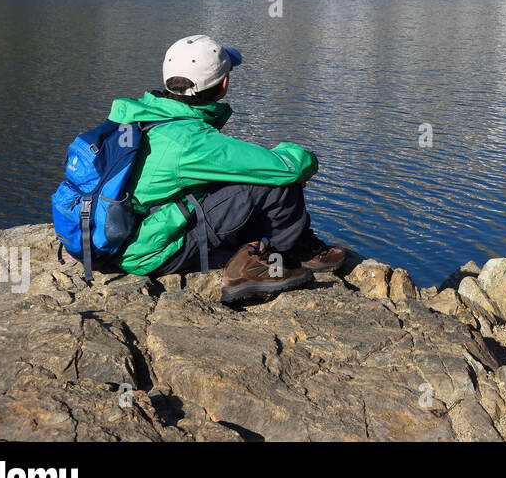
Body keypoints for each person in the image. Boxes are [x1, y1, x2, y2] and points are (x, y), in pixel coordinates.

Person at [107, 34, 347, 303]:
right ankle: (275, 261)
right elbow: (285, 167)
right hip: (151, 252)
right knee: (277, 183)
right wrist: (307, 161)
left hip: (124, 237)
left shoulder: (143, 118)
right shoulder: (192, 140)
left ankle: (271, 247)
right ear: (224, 84)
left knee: (251, 179)